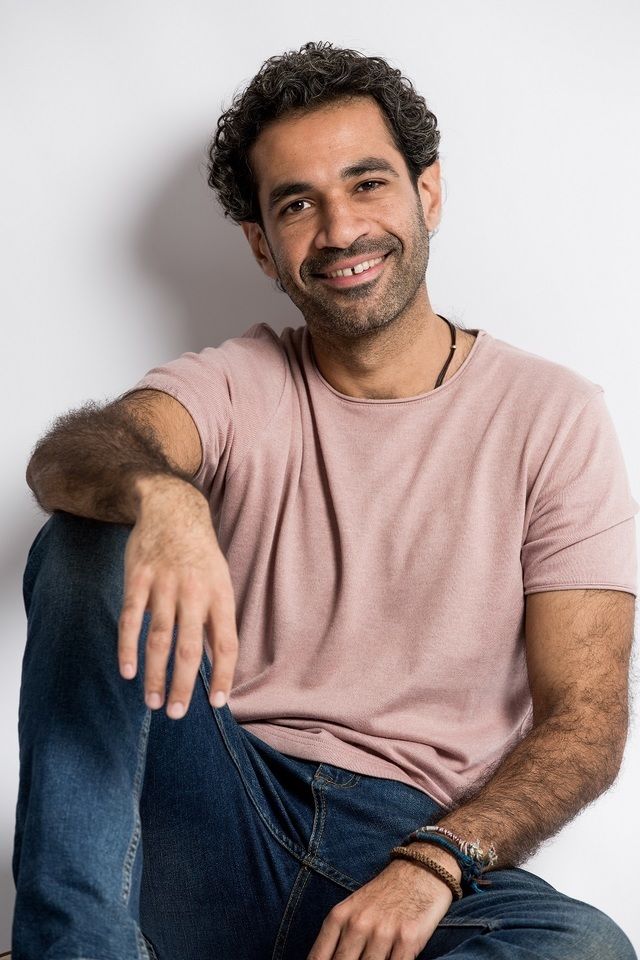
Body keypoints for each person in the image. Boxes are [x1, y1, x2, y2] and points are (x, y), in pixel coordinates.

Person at [12, 39, 638, 960]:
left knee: (581, 949)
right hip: (220, 804)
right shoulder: (240, 381)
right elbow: (70, 457)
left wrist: (437, 861)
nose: (341, 230)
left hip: (409, 844)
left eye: (367, 184)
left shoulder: (554, 417)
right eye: (298, 204)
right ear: (262, 245)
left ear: (428, 193)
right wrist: (162, 497)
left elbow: (587, 719)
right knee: (89, 535)